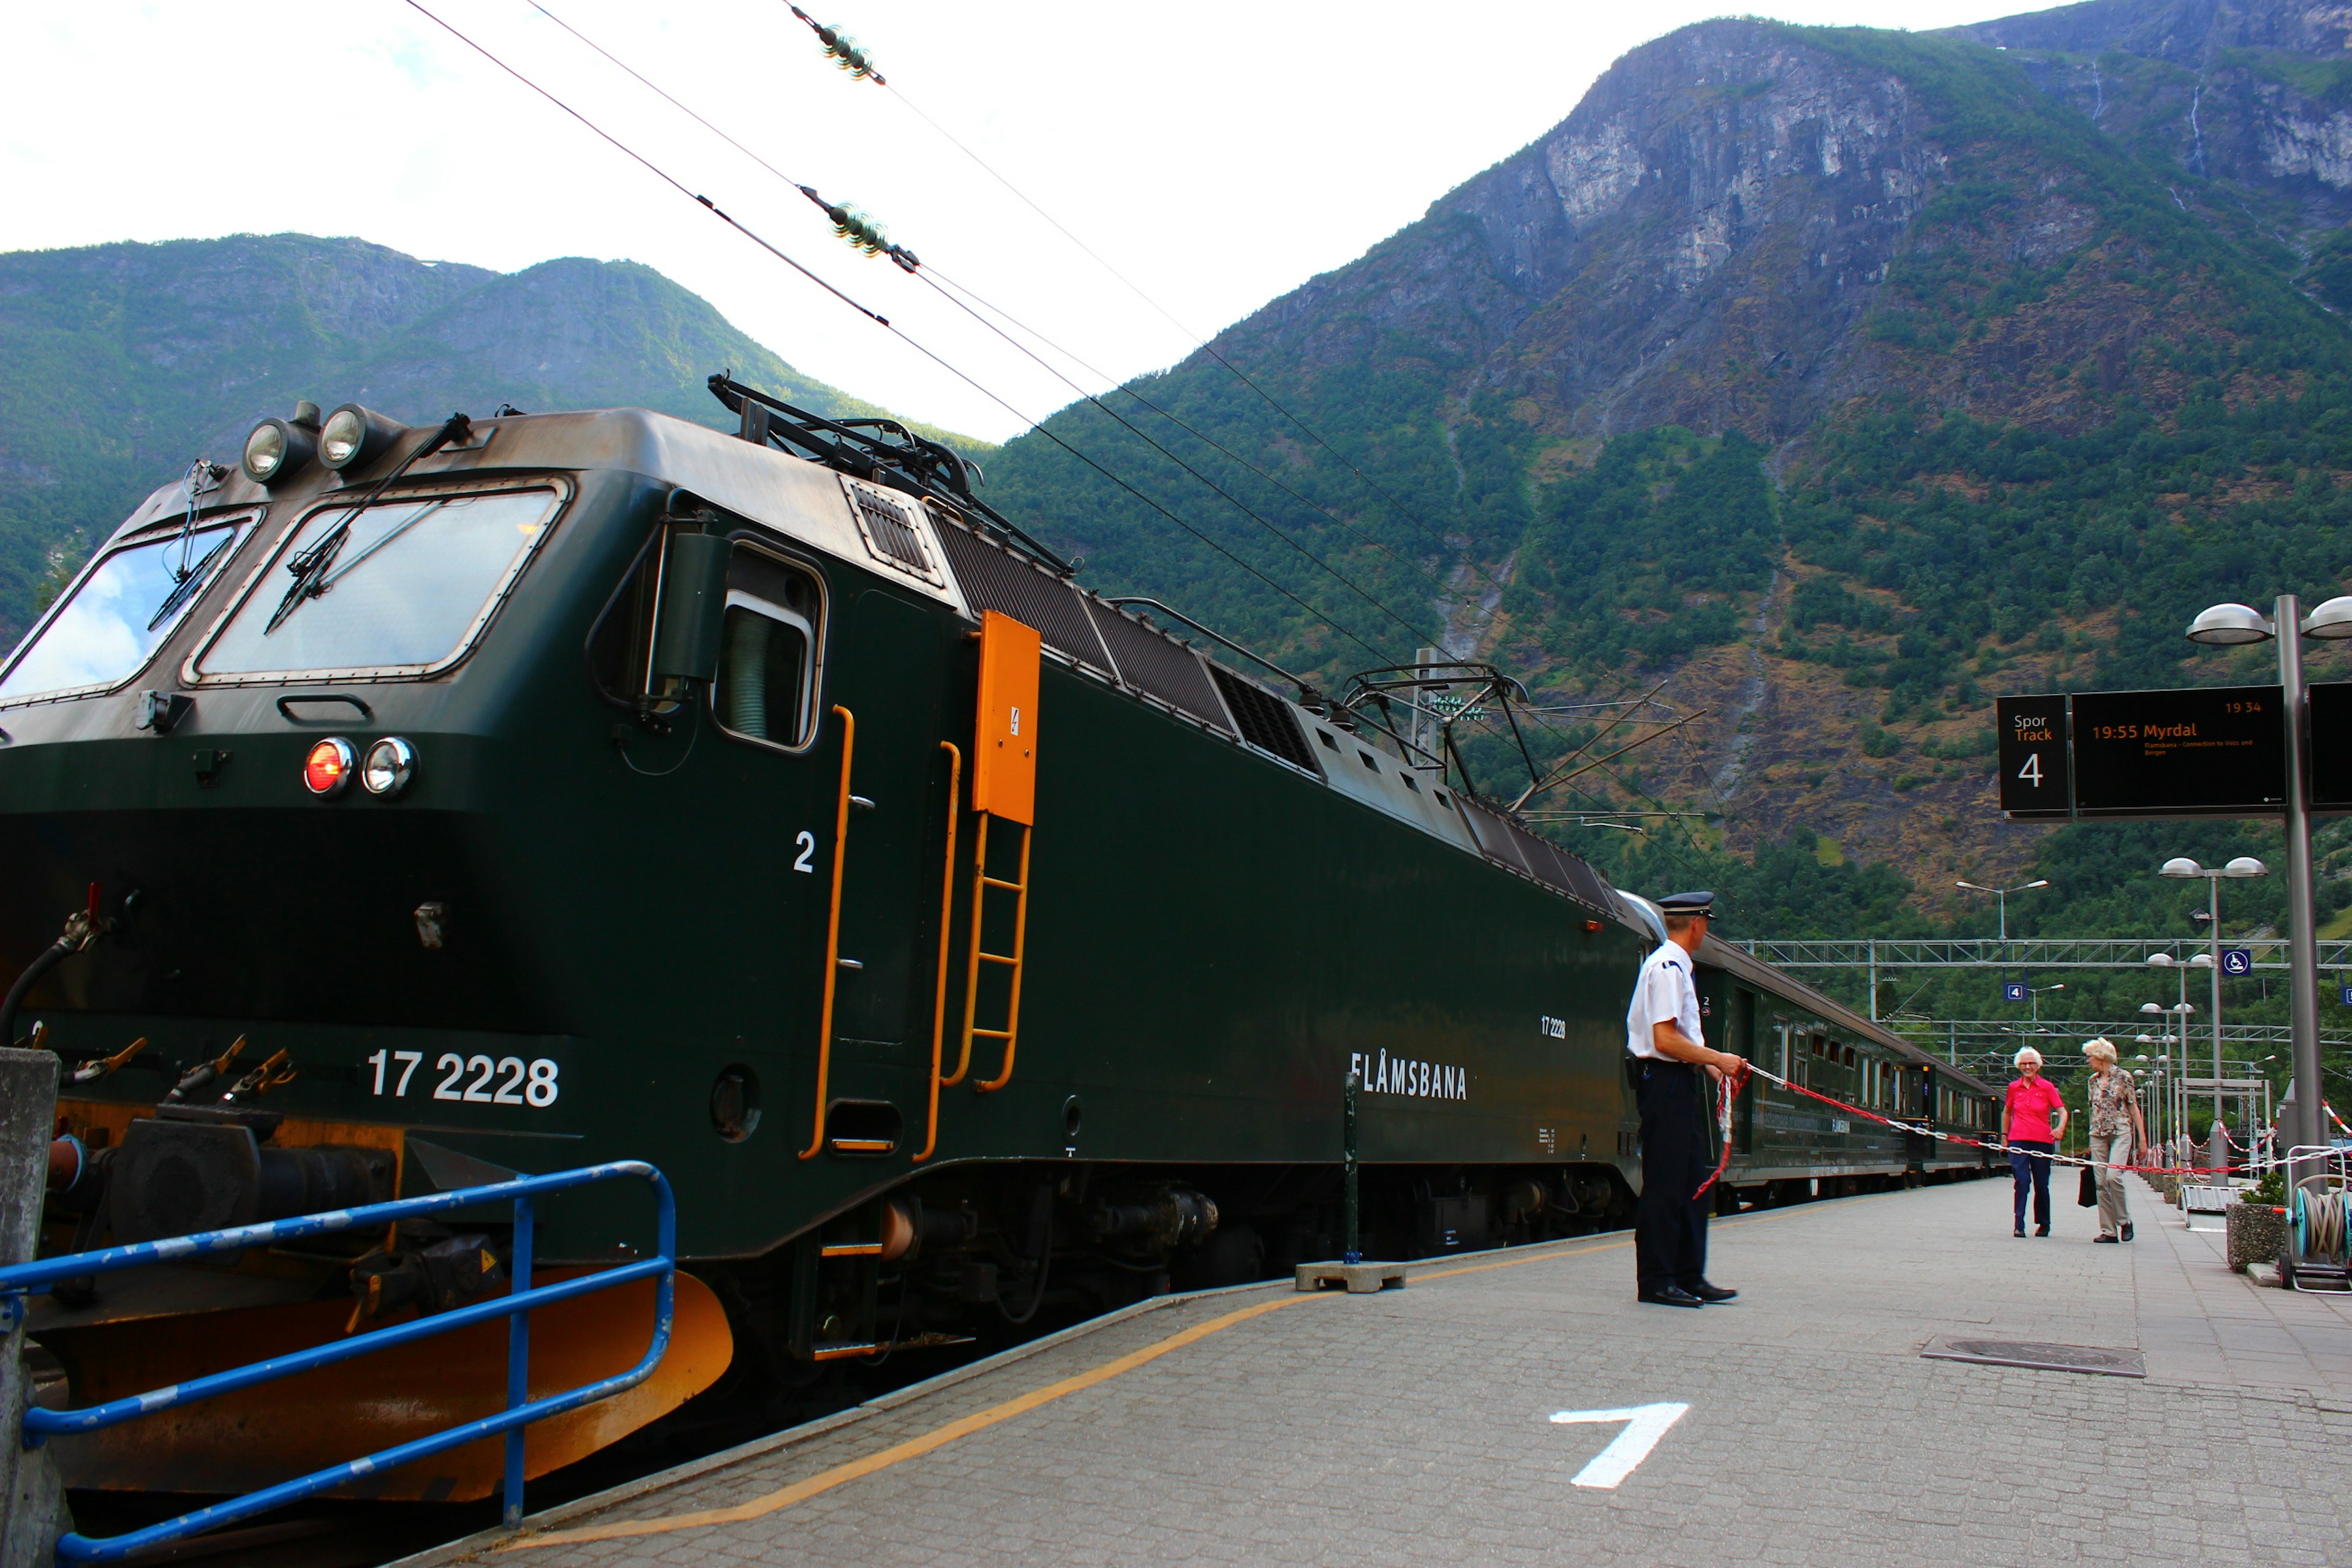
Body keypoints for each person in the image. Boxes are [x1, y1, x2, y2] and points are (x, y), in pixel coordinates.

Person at [1623, 891, 1748, 1307]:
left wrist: (1714, 1071)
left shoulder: (1678, 966)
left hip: (1679, 1079)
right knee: (1666, 1183)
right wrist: (1718, 1058)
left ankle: (1689, 1275)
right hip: (1663, 1080)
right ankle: (1657, 1280)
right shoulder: (1666, 967)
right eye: (1706, 921)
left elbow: (1683, 1040)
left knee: (1695, 1180)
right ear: (1696, 923)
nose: (1706, 928)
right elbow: (1664, 1038)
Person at [2082, 1039, 2146, 1243]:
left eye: (2090, 1057)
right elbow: (2094, 1109)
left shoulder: (2124, 1077)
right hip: (2098, 1135)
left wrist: (2142, 1140)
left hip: (2121, 1132)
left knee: (2113, 1177)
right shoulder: (2092, 1081)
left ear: (2101, 1057)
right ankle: (2108, 1231)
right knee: (2100, 1183)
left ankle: (2124, 1221)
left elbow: (2133, 1107)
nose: (2088, 1061)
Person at [2002, 1047, 2067, 1238]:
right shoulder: (2014, 1087)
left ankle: (2044, 1223)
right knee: (2022, 1181)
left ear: (2038, 1066)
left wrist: (2060, 1128)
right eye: (2024, 1064)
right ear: (2019, 1066)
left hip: (2042, 1140)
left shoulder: (2047, 1087)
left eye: (2031, 1063)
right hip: (2018, 1139)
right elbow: (2007, 1111)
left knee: (2041, 1184)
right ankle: (2019, 1224)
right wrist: (2005, 1136)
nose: (2028, 1067)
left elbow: (2063, 1111)